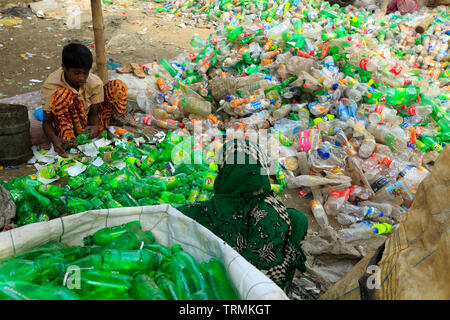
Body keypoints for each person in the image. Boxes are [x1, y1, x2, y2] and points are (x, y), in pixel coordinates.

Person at [178, 138, 309, 291]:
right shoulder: (274, 213)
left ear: (224, 172)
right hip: (262, 293)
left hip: (210, 291)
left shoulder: (197, 212)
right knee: (297, 219)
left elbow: (170, 216)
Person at [41, 43, 128, 157]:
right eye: (76, 73)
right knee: (63, 95)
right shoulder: (51, 85)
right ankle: (70, 143)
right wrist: (54, 140)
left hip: (88, 125)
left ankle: (112, 130)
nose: (81, 78)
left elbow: (94, 113)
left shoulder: (94, 82)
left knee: (118, 86)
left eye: (85, 73)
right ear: (64, 68)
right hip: (69, 126)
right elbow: (46, 122)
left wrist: (95, 126)